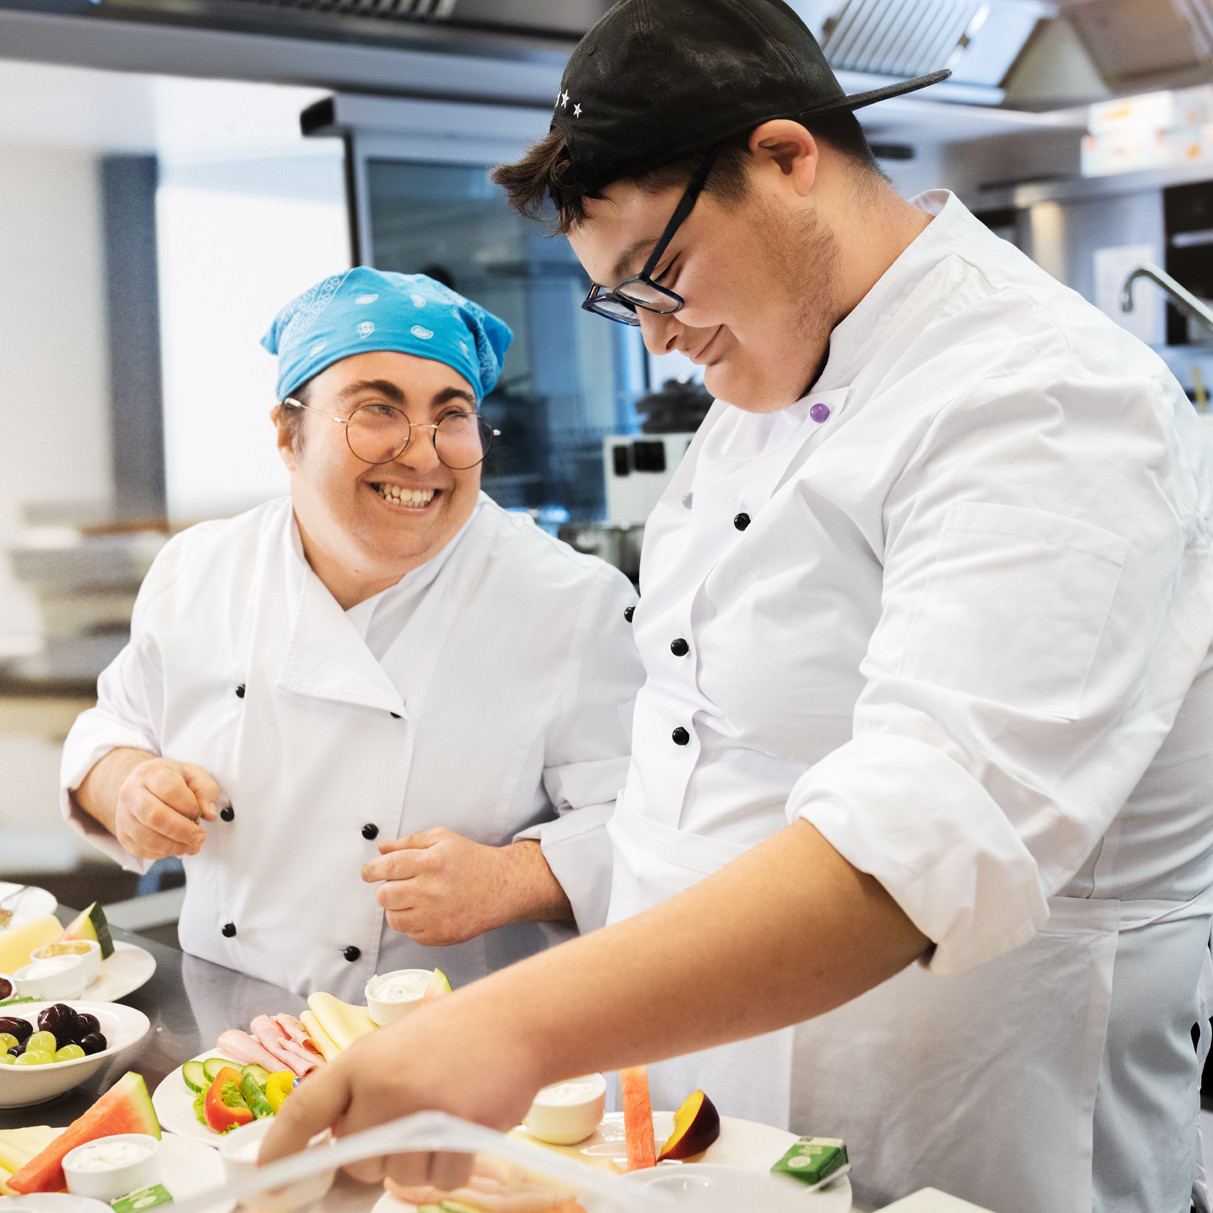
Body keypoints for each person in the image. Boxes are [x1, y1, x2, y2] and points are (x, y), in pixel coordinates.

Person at [262, 4, 1213, 1210]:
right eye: (622, 304)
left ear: (783, 160)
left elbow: (917, 843)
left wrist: (511, 1029)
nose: (658, 340)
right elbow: (696, 757)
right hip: (716, 1133)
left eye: (654, 278)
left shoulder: (1044, 397)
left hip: (960, 1132)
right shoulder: (765, 380)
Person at [60, 268, 644, 1001]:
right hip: (226, 1031)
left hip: (461, 1045)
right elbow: (114, 724)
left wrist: (513, 878)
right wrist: (124, 787)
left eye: (452, 414)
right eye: (378, 410)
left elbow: (650, 824)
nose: (424, 453)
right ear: (287, 432)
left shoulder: (569, 602)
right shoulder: (199, 569)